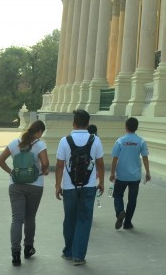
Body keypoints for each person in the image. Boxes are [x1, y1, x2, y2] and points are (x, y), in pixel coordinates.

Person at [55, 109, 104, 266]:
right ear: (88, 123)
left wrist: (57, 185)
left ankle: (68, 251)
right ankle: (79, 256)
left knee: (69, 219)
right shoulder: (95, 140)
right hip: (89, 186)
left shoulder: (65, 141)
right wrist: (101, 182)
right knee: (84, 220)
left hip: (69, 187)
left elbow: (59, 165)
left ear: (74, 122)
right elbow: (100, 163)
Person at [0, 120, 50, 266]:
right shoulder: (40, 144)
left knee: (16, 219)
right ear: (39, 132)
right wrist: (44, 170)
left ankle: (15, 253)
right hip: (35, 186)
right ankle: (28, 248)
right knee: (30, 217)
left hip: (16, 186)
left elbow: (0, 160)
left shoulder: (15, 143)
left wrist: (11, 172)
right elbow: (45, 163)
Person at [110, 117, 151, 231]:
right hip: (135, 176)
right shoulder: (141, 141)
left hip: (122, 175)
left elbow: (114, 159)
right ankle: (127, 223)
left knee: (117, 195)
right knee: (132, 200)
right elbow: (145, 157)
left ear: (126, 127)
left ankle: (120, 212)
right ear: (136, 128)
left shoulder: (120, 141)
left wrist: (112, 173)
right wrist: (147, 172)